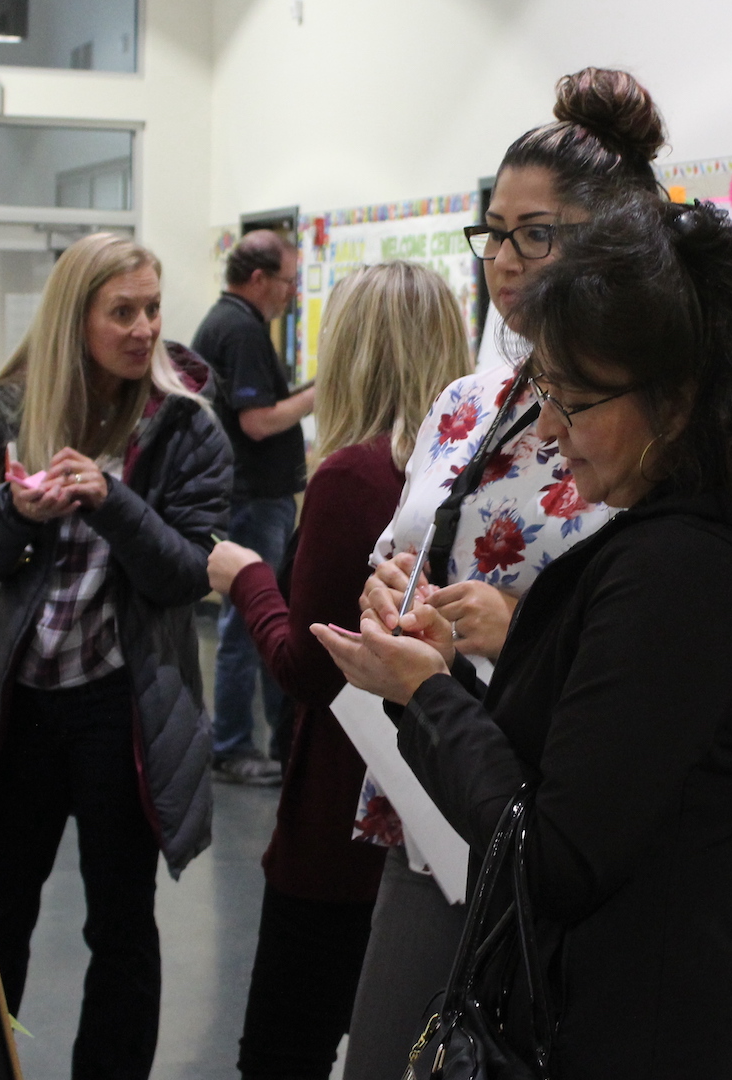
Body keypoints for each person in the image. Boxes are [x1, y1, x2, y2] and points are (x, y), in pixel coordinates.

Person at [316, 189, 732, 1080]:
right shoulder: (714, 538)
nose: (552, 431)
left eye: (575, 400)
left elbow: (552, 858)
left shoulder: (681, 573)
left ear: (677, 400)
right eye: (546, 394)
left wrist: (427, 696)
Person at [334, 66, 650, 1080]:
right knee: (391, 1051)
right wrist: (391, 591)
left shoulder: (639, 418)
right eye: (494, 233)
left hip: (546, 794)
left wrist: (520, 629)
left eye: (535, 235)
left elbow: (656, 625)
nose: (505, 262)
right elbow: (402, 547)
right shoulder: (468, 398)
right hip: (427, 779)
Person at [0, 233, 230, 1080]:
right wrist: (19, 515)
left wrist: (111, 501)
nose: (143, 329)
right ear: (77, 317)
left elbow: (184, 574)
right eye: (122, 311)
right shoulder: (5, 411)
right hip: (21, 707)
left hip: (122, 708)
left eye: (152, 308)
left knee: (122, 927)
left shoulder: (184, 426)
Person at [206, 262, 474, 1080]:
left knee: (285, 1045)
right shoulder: (464, 474)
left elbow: (310, 667)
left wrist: (246, 577)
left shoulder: (353, 476)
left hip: (341, 817)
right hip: (443, 802)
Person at [194, 228, 310, 786]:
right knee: (245, 623)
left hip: (253, 499)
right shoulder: (240, 330)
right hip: (252, 499)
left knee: (256, 617)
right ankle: (233, 745)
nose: (293, 293)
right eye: (289, 281)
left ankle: (258, 737)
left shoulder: (232, 322)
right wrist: (319, 392)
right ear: (259, 278)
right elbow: (257, 422)